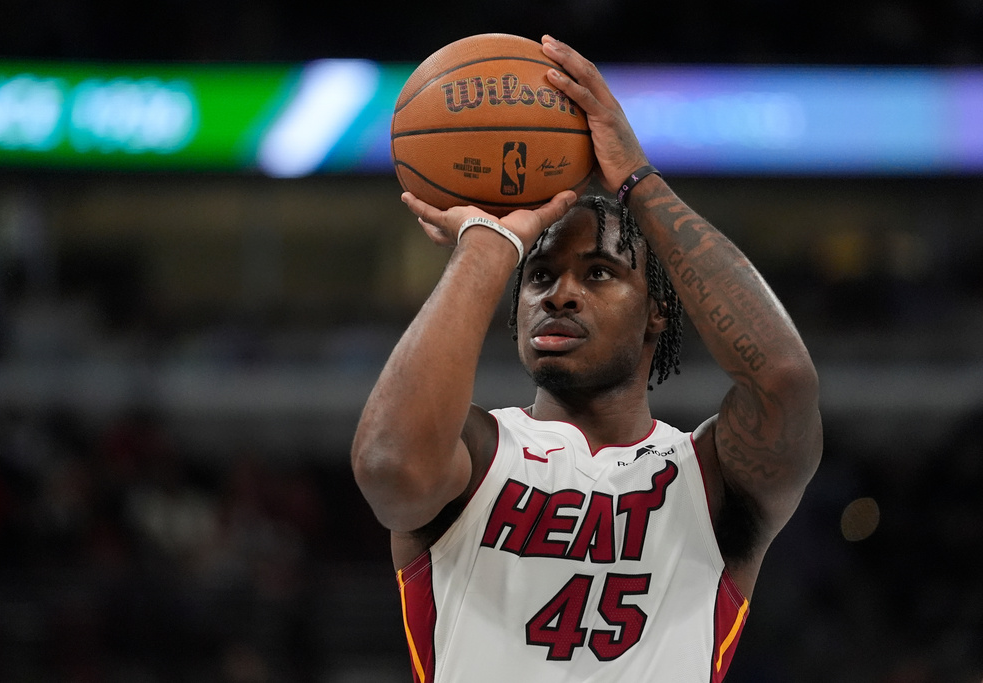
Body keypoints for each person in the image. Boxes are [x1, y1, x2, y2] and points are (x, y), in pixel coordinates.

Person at [351, 35, 822, 683]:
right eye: (539, 275)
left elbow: (784, 381)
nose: (560, 294)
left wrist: (638, 180)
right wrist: (488, 244)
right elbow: (389, 466)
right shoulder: (478, 452)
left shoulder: (711, 478)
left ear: (658, 309)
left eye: (599, 272)